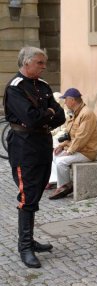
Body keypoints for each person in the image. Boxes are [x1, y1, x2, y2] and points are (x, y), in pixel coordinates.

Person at [3, 46, 66, 268]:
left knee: (37, 190)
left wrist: (46, 115)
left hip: (42, 143)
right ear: (26, 63)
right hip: (23, 146)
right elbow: (30, 118)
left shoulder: (44, 86)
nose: (44, 66)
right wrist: (45, 114)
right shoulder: (15, 88)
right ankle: (25, 247)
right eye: (40, 62)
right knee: (27, 194)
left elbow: (59, 115)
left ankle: (29, 238)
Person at [49, 88, 97, 200]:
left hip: (87, 152)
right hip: (78, 149)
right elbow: (72, 136)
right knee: (55, 154)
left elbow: (82, 137)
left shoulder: (86, 114)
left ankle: (64, 187)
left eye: (66, 100)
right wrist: (62, 146)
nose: (65, 102)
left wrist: (69, 151)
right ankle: (60, 184)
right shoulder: (76, 113)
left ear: (72, 100)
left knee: (61, 161)